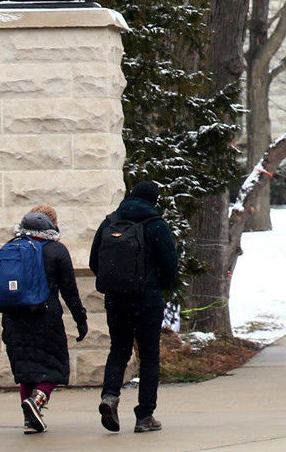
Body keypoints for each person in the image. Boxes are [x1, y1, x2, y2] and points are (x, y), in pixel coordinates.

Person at [91, 181, 179, 434]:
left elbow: (95, 260)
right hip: (147, 300)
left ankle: (109, 396)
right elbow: (170, 264)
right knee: (149, 355)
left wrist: (116, 284)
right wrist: (156, 285)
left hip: (116, 299)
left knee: (118, 350)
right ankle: (145, 416)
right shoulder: (156, 224)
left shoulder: (109, 222)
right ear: (154, 200)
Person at [0, 206, 88, 433]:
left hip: (14, 317)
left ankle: (30, 419)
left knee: (26, 369)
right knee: (55, 366)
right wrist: (81, 319)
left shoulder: (11, 248)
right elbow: (70, 290)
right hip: (45, 316)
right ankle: (37, 400)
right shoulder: (56, 250)